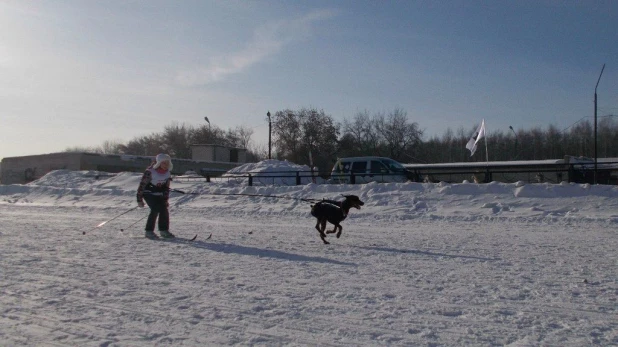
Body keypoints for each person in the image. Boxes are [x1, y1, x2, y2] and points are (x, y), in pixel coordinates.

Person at [136, 153, 175, 239]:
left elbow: (166, 188)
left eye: (167, 163)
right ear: (159, 163)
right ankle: (149, 231)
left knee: (164, 209)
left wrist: (165, 200)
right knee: (155, 208)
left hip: (159, 194)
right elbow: (142, 186)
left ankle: (164, 230)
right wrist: (139, 200)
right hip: (148, 193)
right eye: (164, 163)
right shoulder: (150, 172)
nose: (166, 165)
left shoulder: (167, 173)